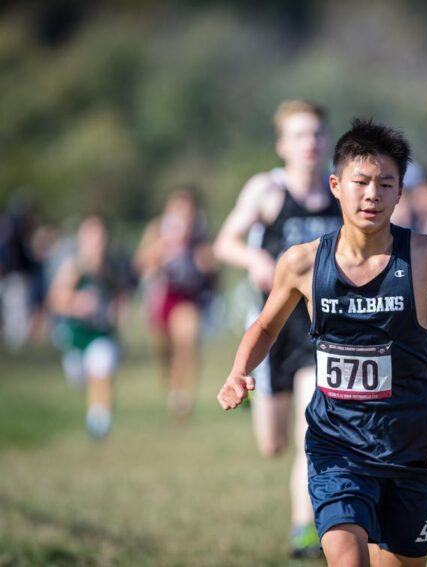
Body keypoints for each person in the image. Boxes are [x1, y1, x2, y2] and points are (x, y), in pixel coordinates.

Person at [217, 118, 427, 567]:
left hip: (412, 449)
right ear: (336, 185)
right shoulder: (302, 263)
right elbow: (265, 326)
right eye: (361, 182)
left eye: (386, 184)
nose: (372, 195)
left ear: (401, 193)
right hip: (335, 446)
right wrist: (239, 370)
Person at [212, 100, 342, 557]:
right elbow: (224, 242)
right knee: (273, 444)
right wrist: (256, 259)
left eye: (318, 134)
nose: (312, 142)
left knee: (313, 431)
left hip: (318, 332)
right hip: (271, 330)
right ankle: (259, 403)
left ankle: (303, 527)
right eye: (301, 135)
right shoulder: (267, 190)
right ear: (282, 145)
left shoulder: (340, 191)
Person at [134, 188, 217, 420]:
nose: (183, 217)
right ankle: (170, 380)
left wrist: (207, 261)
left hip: (187, 297)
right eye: (178, 211)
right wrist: (162, 249)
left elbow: (212, 263)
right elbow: (140, 264)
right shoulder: (156, 231)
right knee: (164, 351)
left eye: (187, 212)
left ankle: (183, 397)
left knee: (187, 341)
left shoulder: (199, 235)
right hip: (161, 297)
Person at [48, 216, 123, 439]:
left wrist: (114, 312)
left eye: (100, 236)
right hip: (76, 338)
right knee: (82, 378)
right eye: (91, 236)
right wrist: (76, 303)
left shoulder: (111, 268)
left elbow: (118, 295)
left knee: (102, 365)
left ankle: (99, 420)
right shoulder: (73, 268)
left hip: (102, 335)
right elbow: (55, 300)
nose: (97, 242)